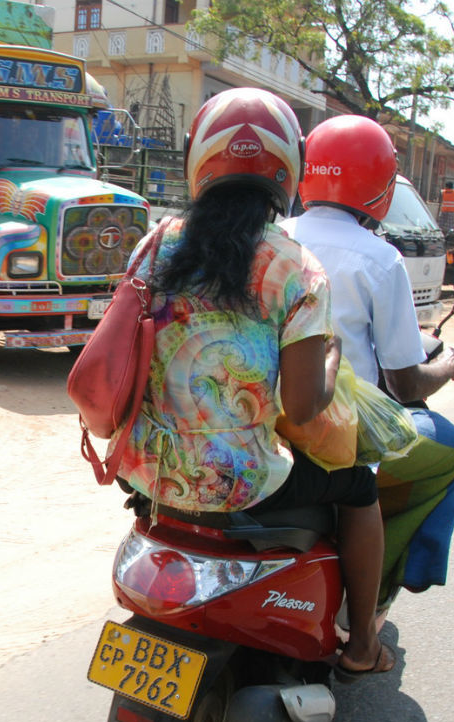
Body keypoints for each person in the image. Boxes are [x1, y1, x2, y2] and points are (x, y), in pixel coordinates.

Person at [114, 88, 394, 679]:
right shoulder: (294, 267)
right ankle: (365, 642)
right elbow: (303, 404)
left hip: (147, 469)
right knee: (362, 489)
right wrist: (330, 355)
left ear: (199, 163)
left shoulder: (154, 245)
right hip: (244, 488)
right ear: (286, 171)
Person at [281, 115, 454, 609]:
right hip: (336, 427)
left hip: (264, 413)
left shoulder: (273, 236)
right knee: (453, 446)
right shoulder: (379, 257)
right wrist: (451, 366)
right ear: (381, 186)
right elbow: (405, 384)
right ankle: (394, 587)